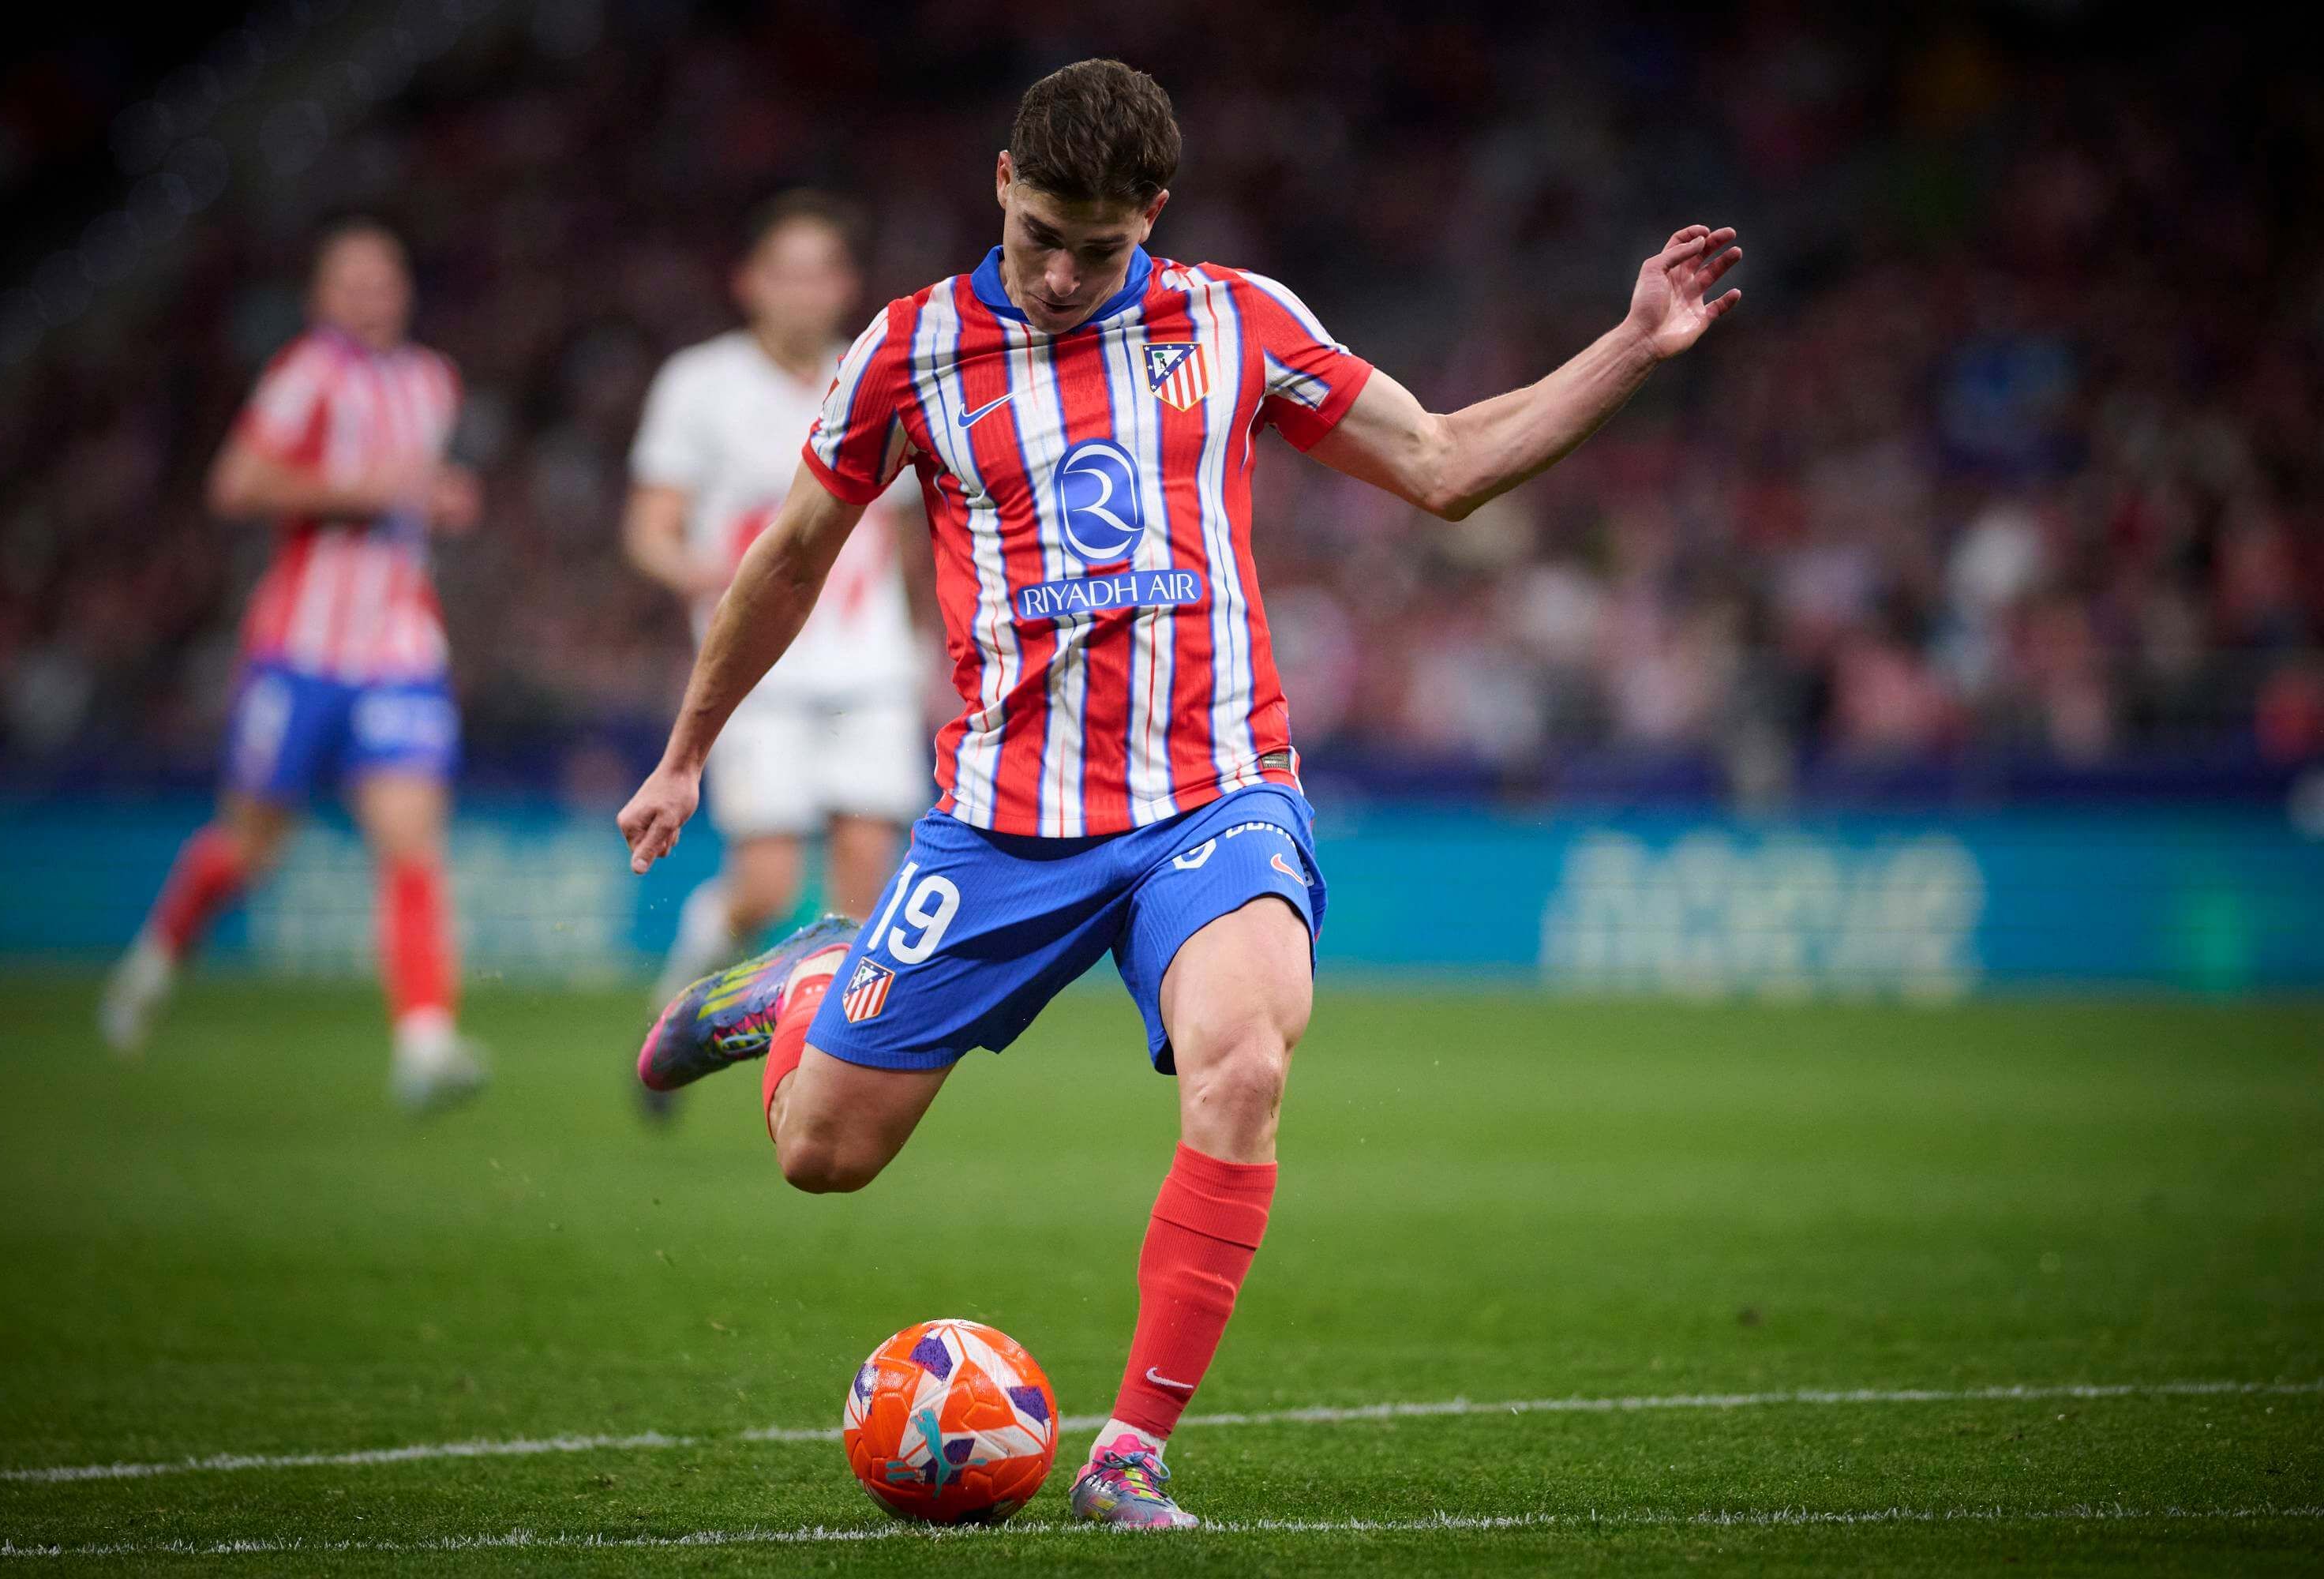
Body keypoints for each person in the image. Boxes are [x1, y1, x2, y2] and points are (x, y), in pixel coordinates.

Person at [617, 59, 1739, 1525]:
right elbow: (790, 556)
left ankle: (1129, 1452)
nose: (1071, 274)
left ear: (1152, 212)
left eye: (1103, 244)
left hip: (1212, 796)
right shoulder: (908, 353)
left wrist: (1636, 345)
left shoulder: (1234, 319)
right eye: (1043, 240)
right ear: (1001, 188)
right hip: (1001, 822)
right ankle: (811, 981)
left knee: (1247, 1064)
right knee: (823, 1155)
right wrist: (689, 748)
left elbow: (1448, 463)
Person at [100, 218, 488, 1110]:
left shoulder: (433, 381)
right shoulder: (304, 374)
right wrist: (366, 490)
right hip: (300, 653)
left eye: (382, 282)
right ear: (321, 298)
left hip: (398, 650)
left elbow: (415, 490)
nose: (368, 298)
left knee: (411, 838)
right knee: (250, 847)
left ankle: (424, 1041)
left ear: (404, 293)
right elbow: (235, 482)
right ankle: (157, 957)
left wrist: (440, 497)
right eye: (350, 284)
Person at [623, 193, 927, 1016]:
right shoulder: (701, 383)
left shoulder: (875, 371)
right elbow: (650, 523)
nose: (803, 291)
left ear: (844, 284)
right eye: (785, 273)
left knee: (865, 880)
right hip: (760, 669)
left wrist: (927, 638)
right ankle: (681, 1003)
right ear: (749, 282)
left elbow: (900, 535)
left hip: (869, 664)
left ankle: (825, 1059)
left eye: (820, 273)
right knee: (767, 884)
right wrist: (687, 567)